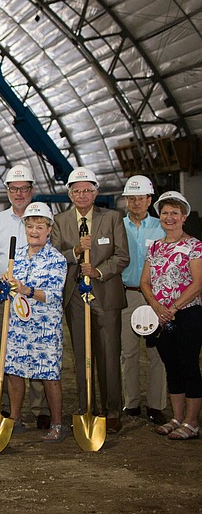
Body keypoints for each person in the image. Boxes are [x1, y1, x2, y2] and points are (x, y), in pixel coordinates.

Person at [51, 167, 129, 434]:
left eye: (87, 190)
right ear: (70, 194)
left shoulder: (113, 218)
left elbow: (122, 256)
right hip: (75, 295)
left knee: (108, 353)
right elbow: (56, 256)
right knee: (82, 354)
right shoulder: (60, 221)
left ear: (96, 193)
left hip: (106, 293)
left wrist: (98, 271)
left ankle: (112, 409)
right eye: (77, 191)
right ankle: (87, 407)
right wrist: (75, 251)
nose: (82, 195)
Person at [0, 164, 51, 428]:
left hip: (35, 293)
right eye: (14, 189)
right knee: (12, 352)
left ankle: (40, 407)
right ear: (7, 192)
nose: (19, 194)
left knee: (38, 348)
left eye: (24, 189)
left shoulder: (44, 217)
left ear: (32, 190)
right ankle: (12, 407)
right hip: (6, 292)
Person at [0, 202, 68, 442]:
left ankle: (58, 424)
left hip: (45, 327)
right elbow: (9, 287)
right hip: (18, 326)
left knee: (49, 375)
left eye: (40, 226)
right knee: (15, 372)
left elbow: (53, 295)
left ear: (49, 229)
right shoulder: (15, 256)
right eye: (30, 226)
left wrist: (26, 289)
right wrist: (6, 284)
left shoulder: (56, 260)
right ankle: (15, 419)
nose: (34, 231)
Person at [141, 191, 202, 440]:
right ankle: (177, 417)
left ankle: (192, 421)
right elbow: (145, 281)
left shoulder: (194, 246)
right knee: (172, 367)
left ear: (184, 216)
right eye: (165, 213)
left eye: (174, 213)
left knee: (189, 366)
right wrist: (156, 307)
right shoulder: (155, 246)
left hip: (187, 313)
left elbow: (198, 283)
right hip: (162, 316)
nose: (169, 217)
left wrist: (173, 308)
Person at [119, 175, 167, 424]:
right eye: (131, 198)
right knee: (128, 352)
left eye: (141, 198)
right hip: (126, 295)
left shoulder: (162, 227)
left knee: (157, 352)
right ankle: (132, 403)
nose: (136, 202)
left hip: (155, 298)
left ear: (150, 200)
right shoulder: (117, 226)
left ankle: (156, 405)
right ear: (126, 200)